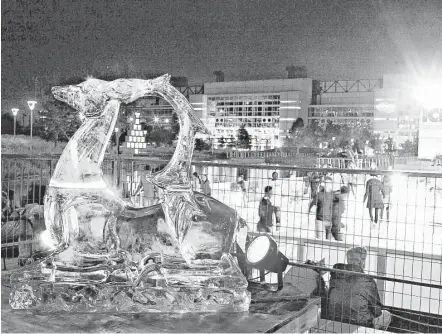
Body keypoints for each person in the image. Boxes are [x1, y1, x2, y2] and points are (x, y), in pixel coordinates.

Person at [326, 247, 392, 330]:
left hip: (335, 321)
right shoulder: (368, 280)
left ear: (348, 260)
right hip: (359, 325)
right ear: (362, 261)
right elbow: (377, 310)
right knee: (386, 315)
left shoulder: (335, 276)